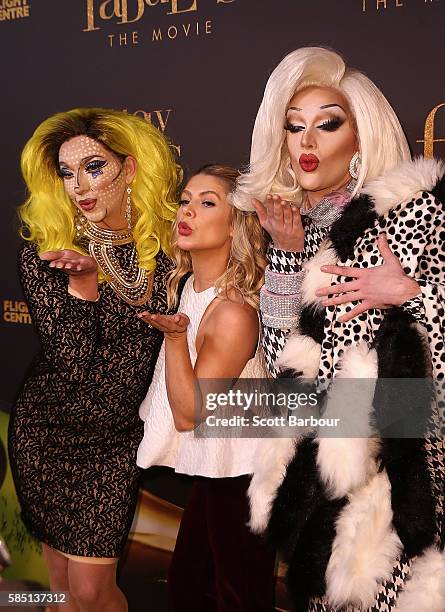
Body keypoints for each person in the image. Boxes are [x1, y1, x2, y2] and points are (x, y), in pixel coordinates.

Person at [232, 47, 445, 611]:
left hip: (396, 473)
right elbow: (286, 372)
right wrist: (286, 256)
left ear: (360, 138)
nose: (307, 142)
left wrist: (413, 294)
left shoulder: (407, 214)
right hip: (319, 473)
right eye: (293, 127)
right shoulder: (291, 226)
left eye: (328, 124)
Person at [8, 108, 180, 612]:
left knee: (90, 591)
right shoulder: (48, 251)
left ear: (129, 169)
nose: (79, 185)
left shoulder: (169, 246)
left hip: (114, 442)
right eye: (66, 172)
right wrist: (83, 285)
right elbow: (74, 362)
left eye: (94, 167)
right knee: (63, 584)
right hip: (47, 432)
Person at [136, 164, 276, 611]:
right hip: (218, 466)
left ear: (236, 223)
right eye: (186, 200)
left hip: (244, 472)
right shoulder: (192, 290)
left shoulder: (233, 312)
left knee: (236, 595)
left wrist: (176, 340)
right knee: (188, 586)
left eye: (207, 203)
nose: (188, 211)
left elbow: (189, 414)